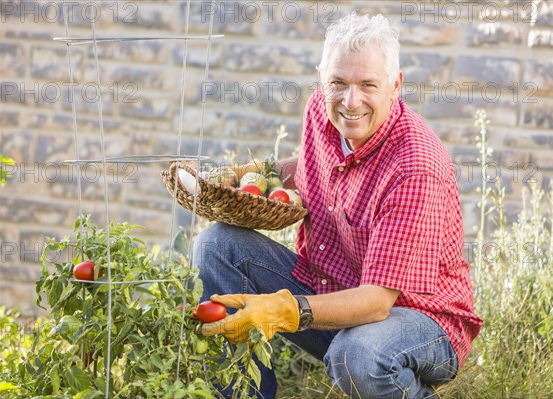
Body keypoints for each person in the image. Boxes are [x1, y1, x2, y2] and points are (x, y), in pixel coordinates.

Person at [194, 12, 483, 399]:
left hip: (419, 320)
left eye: (368, 85)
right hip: (333, 288)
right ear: (321, 78)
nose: (351, 101)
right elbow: (322, 167)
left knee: (355, 356)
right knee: (217, 246)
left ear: (395, 85)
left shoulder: (415, 167)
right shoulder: (320, 111)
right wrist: (253, 175)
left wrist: (287, 311)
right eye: (338, 82)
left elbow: (377, 302)